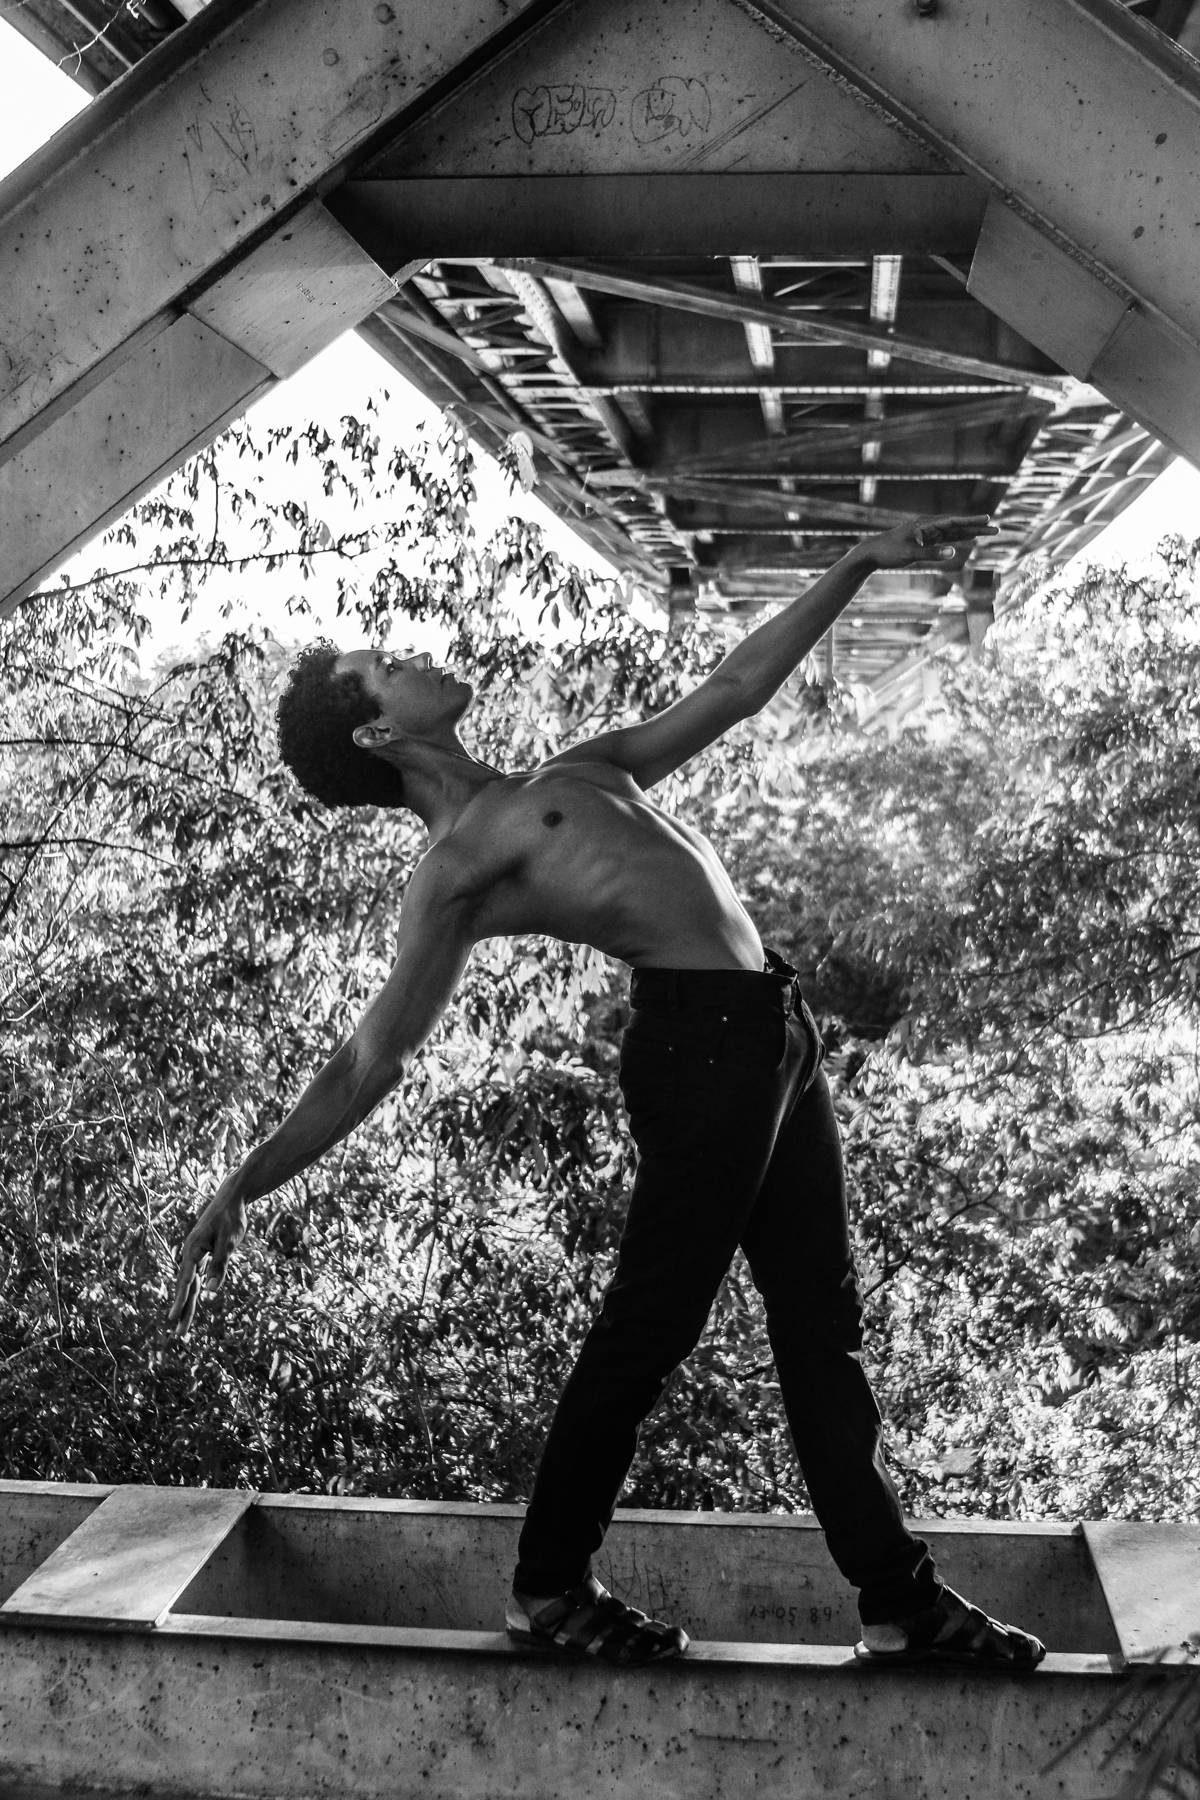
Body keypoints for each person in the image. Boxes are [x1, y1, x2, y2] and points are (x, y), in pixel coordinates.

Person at [168, 513, 1045, 1673]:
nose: (416, 651)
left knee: (821, 1333)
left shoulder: (571, 771)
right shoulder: (459, 865)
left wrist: (854, 565)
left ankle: (900, 1604)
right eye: (387, 662)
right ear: (379, 730)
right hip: (700, 1053)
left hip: (774, 1034)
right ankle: (548, 1587)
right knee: (649, 1328)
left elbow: (732, 689)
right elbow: (370, 1060)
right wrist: (246, 1180)